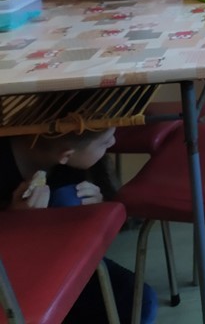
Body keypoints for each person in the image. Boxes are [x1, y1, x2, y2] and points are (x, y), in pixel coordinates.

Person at [0, 125, 158, 323]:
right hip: (12, 277)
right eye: (104, 142)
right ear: (66, 155)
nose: (113, 142)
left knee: (140, 303)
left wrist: (97, 208)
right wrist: (14, 218)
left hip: (59, 263)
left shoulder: (70, 163)